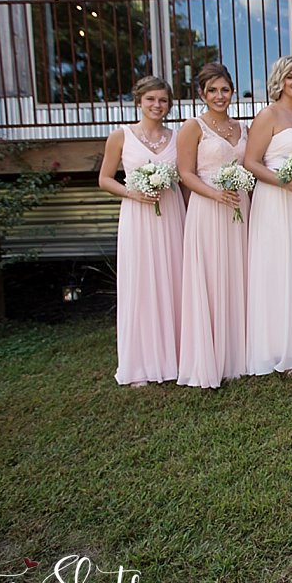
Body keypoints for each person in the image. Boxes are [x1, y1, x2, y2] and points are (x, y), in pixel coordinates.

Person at [98, 76, 185, 386]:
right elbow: (104, 179)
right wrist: (131, 192)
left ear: (169, 104)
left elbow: (185, 178)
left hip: (171, 214)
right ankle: (140, 363)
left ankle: (176, 357)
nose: (156, 105)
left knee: (174, 280)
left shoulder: (177, 137)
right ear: (138, 101)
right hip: (137, 216)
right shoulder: (120, 136)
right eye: (150, 99)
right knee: (141, 282)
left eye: (162, 100)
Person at [176, 63, 250, 389]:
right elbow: (185, 173)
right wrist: (214, 194)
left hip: (239, 207)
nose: (219, 96)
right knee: (210, 275)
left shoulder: (242, 128)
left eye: (225, 90)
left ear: (232, 91)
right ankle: (209, 356)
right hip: (207, 207)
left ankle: (238, 354)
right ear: (202, 94)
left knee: (237, 273)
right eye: (212, 91)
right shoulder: (193, 127)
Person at [244, 56, 292, 377]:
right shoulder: (268, 115)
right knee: (278, 269)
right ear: (279, 80)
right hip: (275, 199)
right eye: (290, 77)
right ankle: (277, 350)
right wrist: (284, 182)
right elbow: (251, 162)